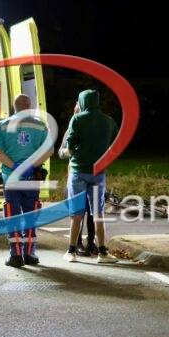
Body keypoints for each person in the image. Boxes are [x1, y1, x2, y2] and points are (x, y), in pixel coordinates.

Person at [0, 94, 51, 268]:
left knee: (13, 215)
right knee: (31, 214)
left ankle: (16, 255)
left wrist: (15, 166)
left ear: (14, 107)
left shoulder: (3, 125)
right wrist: (31, 166)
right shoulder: (40, 126)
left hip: (11, 178)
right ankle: (30, 253)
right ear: (30, 106)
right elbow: (49, 151)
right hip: (32, 178)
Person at [62, 89, 119, 263]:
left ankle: (71, 251)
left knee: (77, 213)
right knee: (98, 213)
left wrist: (64, 153)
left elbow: (69, 147)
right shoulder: (108, 121)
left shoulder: (77, 119)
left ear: (82, 101)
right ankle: (102, 252)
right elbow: (115, 143)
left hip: (78, 172)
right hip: (98, 173)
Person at [59, 100, 97, 256]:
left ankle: (92, 242)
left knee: (93, 211)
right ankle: (78, 243)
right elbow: (61, 152)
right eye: (76, 109)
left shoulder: (94, 129)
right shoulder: (70, 130)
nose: (76, 111)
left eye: (79, 109)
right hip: (75, 175)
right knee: (78, 211)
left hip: (93, 174)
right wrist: (68, 152)